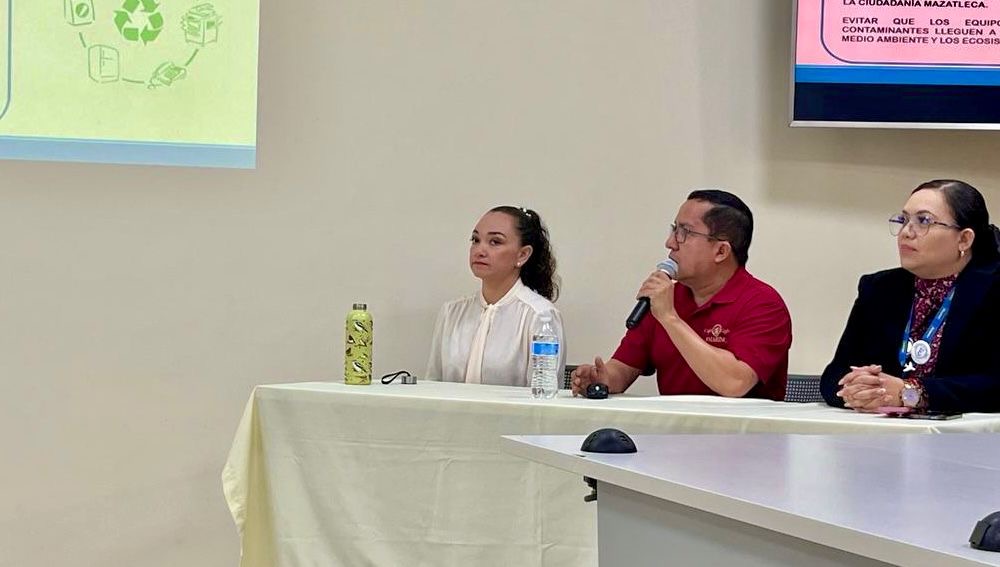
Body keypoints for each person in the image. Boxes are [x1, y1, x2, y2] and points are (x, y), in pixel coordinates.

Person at [571, 190, 792, 399]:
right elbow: (623, 369)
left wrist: (670, 318)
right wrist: (602, 379)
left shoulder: (763, 304)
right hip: (672, 427)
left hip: (739, 428)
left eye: (684, 233)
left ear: (721, 251)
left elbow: (735, 383)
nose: (670, 243)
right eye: (674, 230)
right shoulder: (667, 297)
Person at [821, 180, 1000, 414]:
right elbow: (834, 376)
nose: (906, 232)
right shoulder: (879, 289)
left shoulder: (993, 289)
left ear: (964, 239)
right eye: (904, 220)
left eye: (924, 221)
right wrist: (860, 389)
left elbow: (993, 386)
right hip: (881, 431)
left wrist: (912, 393)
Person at [426, 205, 565, 385]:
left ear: (523, 255)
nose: (479, 250)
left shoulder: (540, 316)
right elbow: (433, 383)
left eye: (495, 242)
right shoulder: (451, 312)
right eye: (475, 240)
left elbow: (543, 393)